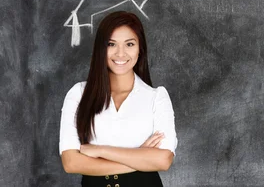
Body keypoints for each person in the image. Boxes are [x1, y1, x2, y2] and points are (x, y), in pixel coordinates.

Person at [59, 11, 178, 187]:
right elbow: (71, 163)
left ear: (140, 49)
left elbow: (163, 160)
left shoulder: (156, 97)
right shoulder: (78, 94)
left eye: (129, 44)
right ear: (101, 49)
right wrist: (140, 157)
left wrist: (99, 150)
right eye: (111, 44)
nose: (120, 54)